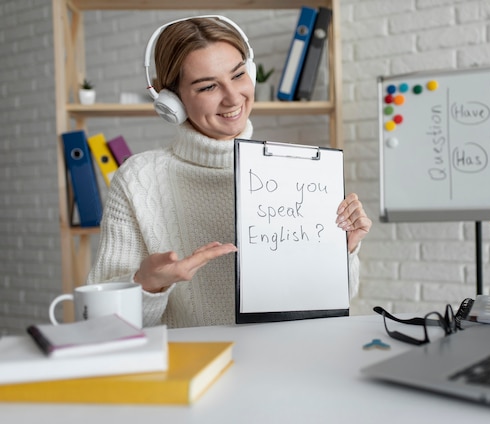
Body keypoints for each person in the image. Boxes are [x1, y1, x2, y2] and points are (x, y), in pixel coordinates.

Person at [87, 16, 372, 328]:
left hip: (286, 360)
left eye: (238, 75)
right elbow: (104, 323)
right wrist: (147, 283)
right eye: (208, 86)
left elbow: (340, 296)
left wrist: (341, 251)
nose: (233, 97)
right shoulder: (138, 179)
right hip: (195, 369)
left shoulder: (296, 170)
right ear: (171, 101)